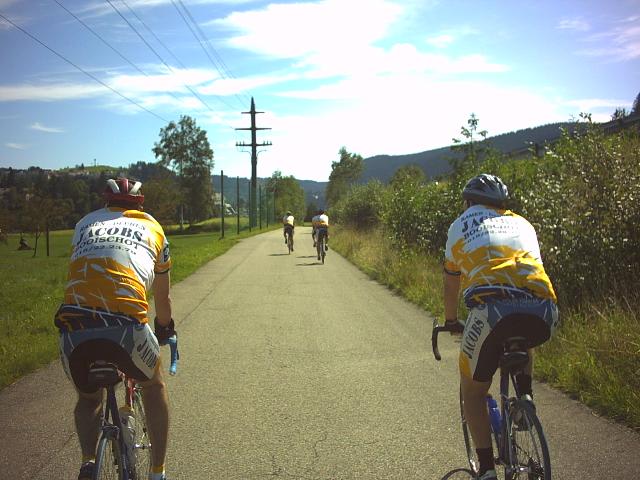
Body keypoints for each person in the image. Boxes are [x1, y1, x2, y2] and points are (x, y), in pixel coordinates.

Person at [54, 177, 175, 480]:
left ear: (105, 202)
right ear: (141, 203)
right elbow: (161, 296)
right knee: (154, 384)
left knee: (88, 399)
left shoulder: (84, 224)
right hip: (126, 328)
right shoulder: (154, 227)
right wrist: (164, 328)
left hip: (73, 326)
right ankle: (158, 472)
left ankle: (87, 462)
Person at [442, 174, 559, 480]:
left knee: (473, 391)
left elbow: (451, 283)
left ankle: (486, 470)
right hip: (544, 310)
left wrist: (451, 320)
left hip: (491, 312)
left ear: (468, 202)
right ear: (502, 203)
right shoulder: (523, 223)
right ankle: (525, 399)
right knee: (522, 329)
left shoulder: (460, 225)